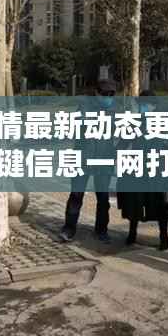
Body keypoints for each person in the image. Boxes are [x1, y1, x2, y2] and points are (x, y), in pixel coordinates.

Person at [117, 89, 168, 250]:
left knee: (160, 203)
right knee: (135, 202)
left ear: (154, 106)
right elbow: (123, 143)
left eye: (147, 105)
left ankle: (163, 236)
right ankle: (132, 233)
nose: (144, 108)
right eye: (142, 104)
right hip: (137, 167)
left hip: (158, 167)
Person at [59, 78, 116, 243]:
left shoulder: (115, 109)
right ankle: (69, 228)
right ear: (96, 93)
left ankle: (101, 230)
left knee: (103, 198)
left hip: (104, 160)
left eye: (111, 94)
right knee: (76, 195)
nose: (108, 97)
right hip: (83, 158)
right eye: (105, 94)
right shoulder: (84, 106)